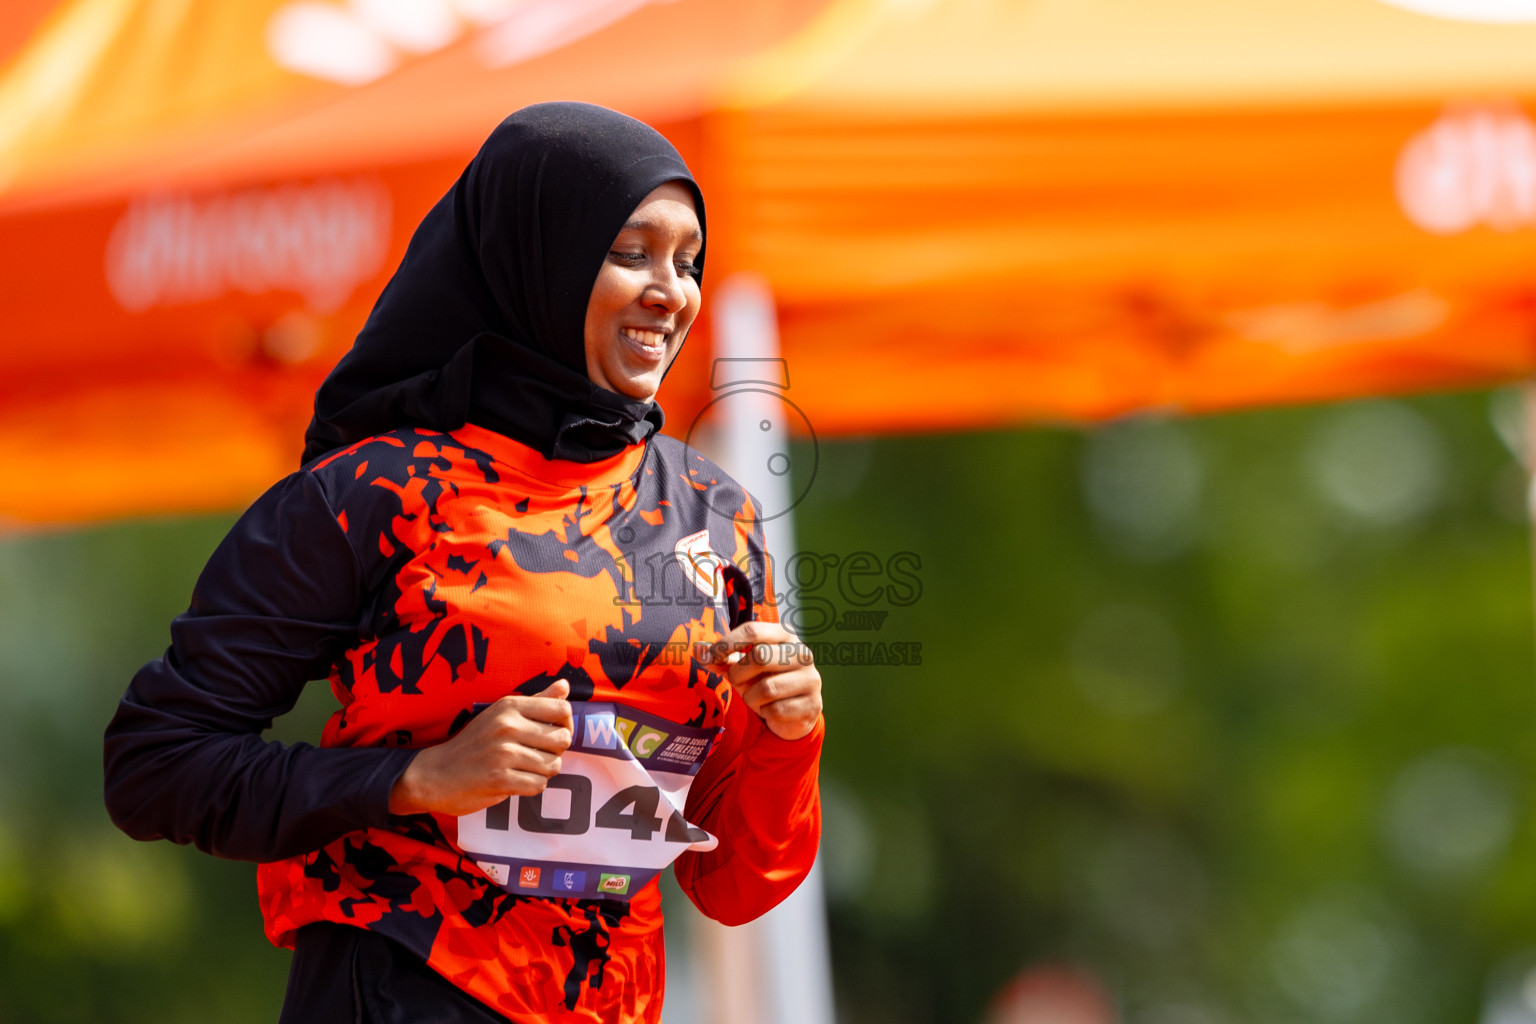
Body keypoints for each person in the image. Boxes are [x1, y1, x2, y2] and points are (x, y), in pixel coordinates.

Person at [103, 102, 824, 1024]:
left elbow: (732, 886)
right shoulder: (374, 494)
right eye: (631, 253)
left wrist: (786, 739)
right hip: (404, 985)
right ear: (539, 257)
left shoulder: (716, 517)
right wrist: (415, 779)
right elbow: (154, 764)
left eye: (687, 261)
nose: (670, 292)